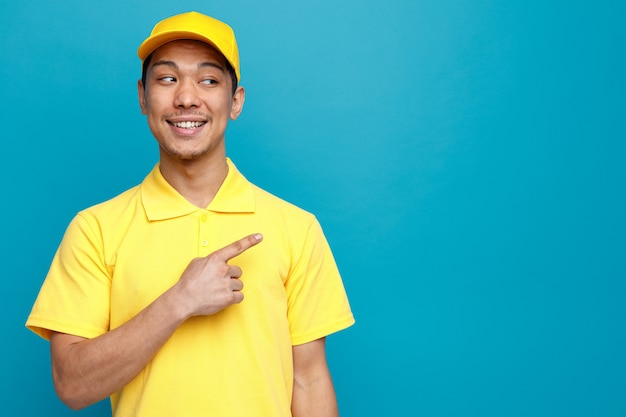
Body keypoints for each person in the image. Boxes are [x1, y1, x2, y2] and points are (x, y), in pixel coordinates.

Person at [26, 11, 354, 417]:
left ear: (236, 102)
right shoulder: (95, 229)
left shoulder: (296, 228)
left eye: (209, 80)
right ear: (143, 97)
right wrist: (179, 301)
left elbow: (309, 379)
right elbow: (72, 386)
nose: (186, 97)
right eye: (166, 78)